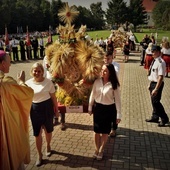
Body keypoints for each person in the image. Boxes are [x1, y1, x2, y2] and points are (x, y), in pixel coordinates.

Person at [0, 50, 33, 170]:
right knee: (11, 153)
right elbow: (26, 95)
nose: (10, 64)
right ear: (3, 63)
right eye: (9, 62)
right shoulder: (6, 82)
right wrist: (21, 82)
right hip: (6, 127)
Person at [25, 62, 59, 166]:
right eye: (35, 71)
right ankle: (39, 156)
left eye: (39, 71)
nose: (37, 73)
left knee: (48, 131)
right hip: (34, 109)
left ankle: (48, 145)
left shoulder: (48, 82)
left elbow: (53, 97)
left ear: (42, 72)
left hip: (47, 108)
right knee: (37, 133)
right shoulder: (28, 83)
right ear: (32, 71)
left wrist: (56, 111)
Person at [88, 63, 121, 160]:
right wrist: (90, 106)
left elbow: (118, 100)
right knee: (96, 131)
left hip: (109, 109)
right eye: (102, 70)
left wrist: (118, 115)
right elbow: (93, 94)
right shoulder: (97, 81)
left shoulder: (114, 84)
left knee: (105, 132)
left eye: (105, 71)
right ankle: (96, 149)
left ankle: (102, 150)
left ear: (110, 73)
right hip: (98, 108)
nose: (103, 72)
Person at [146, 45, 169, 127]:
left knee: (156, 102)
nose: (152, 53)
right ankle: (155, 117)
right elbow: (153, 74)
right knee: (153, 101)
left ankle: (164, 118)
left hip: (157, 84)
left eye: (154, 51)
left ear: (159, 52)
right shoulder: (155, 60)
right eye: (152, 51)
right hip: (153, 83)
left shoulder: (161, 62)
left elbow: (160, 76)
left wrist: (156, 89)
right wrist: (150, 84)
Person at [43, 56, 66, 130]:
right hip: (50, 82)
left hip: (59, 82)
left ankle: (62, 121)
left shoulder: (60, 56)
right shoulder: (46, 57)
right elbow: (44, 69)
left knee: (61, 101)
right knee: (52, 102)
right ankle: (55, 119)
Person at [103, 51, 120, 138]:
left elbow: (114, 73)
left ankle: (114, 129)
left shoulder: (115, 65)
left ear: (112, 58)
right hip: (104, 90)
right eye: (105, 58)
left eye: (108, 58)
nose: (106, 60)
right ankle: (106, 127)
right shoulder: (102, 65)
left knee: (114, 110)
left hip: (113, 89)